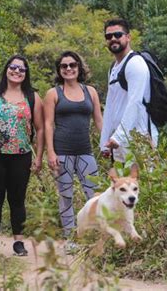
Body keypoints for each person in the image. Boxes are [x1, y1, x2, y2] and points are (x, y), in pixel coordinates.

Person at [0, 54, 44, 256]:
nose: (17, 71)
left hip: (21, 155)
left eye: (21, 69)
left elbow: (40, 129)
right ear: (6, 69)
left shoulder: (32, 97)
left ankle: (19, 243)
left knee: (17, 199)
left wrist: (39, 156)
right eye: (13, 67)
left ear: (26, 73)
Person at [43, 51, 103, 243]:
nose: (68, 69)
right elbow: (47, 125)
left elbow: (99, 121)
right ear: (59, 70)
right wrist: (50, 152)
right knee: (66, 196)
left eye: (72, 65)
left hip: (85, 151)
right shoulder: (53, 93)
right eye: (64, 66)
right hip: (62, 152)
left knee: (93, 194)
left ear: (79, 67)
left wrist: (106, 144)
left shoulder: (90, 91)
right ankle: (70, 238)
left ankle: (93, 236)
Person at [100, 18, 158, 162]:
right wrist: (105, 141)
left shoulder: (135, 63)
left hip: (139, 138)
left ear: (128, 37)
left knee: (141, 183)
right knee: (121, 183)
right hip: (119, 141)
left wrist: (118, 136)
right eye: (109, 36)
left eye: (118, 35)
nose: (113, 39)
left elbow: (135, 102)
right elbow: (110, 106)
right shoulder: (113, 68)